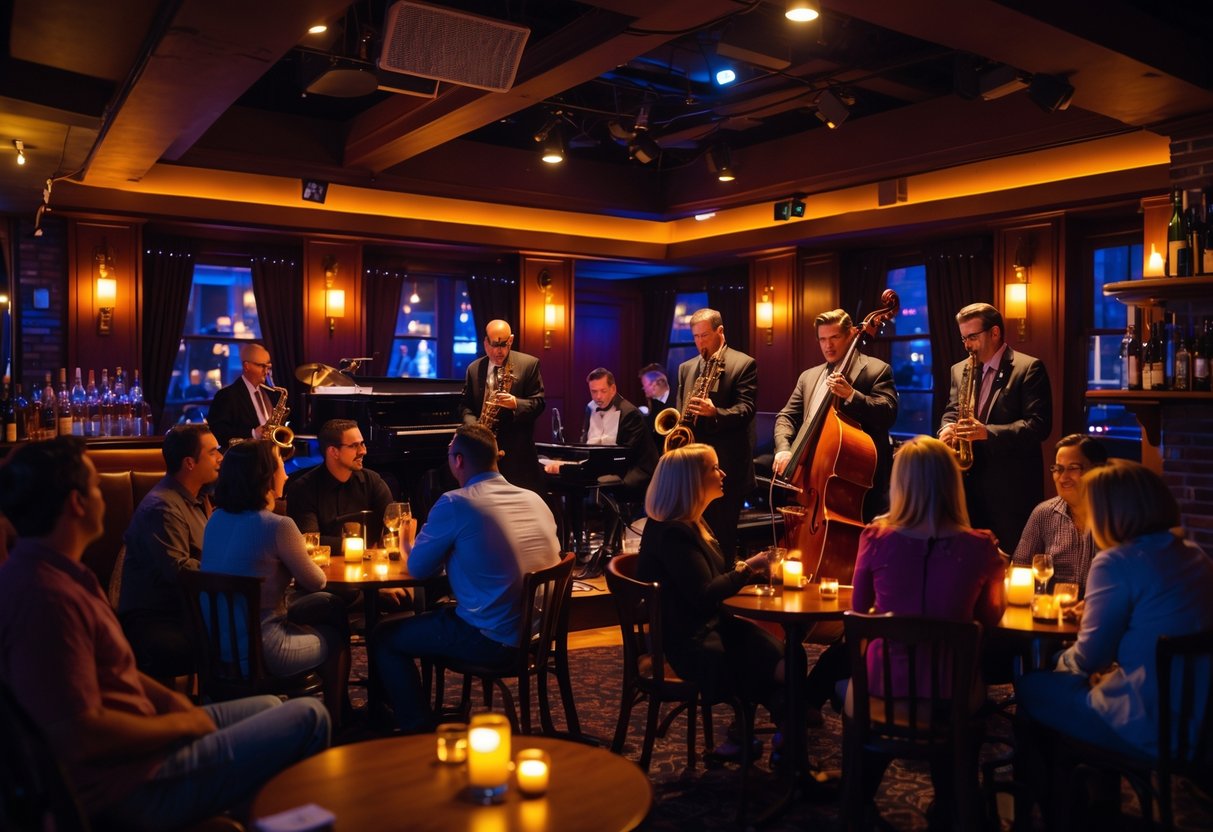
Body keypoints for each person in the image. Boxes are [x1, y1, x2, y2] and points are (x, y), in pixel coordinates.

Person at [0, 437, 329, 831]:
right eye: (95, 486)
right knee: (311, 715)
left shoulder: (62, 573)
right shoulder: (46, 597)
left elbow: (115, 670)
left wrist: (174, 705)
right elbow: (80, 734)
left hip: (143, 743)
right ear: (77, 503)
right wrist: (180, 726)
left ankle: (243, 812)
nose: (102, 497)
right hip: (134, 782)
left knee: (271, 706)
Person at [1015, 460, 1213, 826]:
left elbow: (1088, 658)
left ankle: (1051, 812)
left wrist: (1063, 666)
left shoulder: (1115, 561)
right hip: (1198, 723)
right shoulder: (1195, 556)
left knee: (1032, 687)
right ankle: (1093, 802)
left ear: (1110, 511)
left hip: (1149, 723)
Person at [848, 436, 1007, 827]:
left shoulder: (874, 538)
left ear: (899, 483)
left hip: (882, 689)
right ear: (952, 482)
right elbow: (992, 616)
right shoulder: (982, 545)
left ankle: (858, 800)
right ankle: (953, 802)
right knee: (963, 696)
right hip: (952, 691)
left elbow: (857, 608)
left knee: (847, 688)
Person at [371, 424, 560, 732]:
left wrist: (406, 543)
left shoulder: (457, 502)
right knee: (440, 613)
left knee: (384, 636)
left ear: (458, 460)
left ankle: (416, 729)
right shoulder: (533, 498)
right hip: (537, 636)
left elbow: (418, 570)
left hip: (492, 642)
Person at [637, 443, 780, 758]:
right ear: (692, 481)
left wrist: (753, 573)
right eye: (714, 468)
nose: (723, 473)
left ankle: (765, 736)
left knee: (782, 654)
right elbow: (704, 595)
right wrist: (749, 567)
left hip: (710, 626)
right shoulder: (673, 534)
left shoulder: (693, 522)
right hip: (688, 643)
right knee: (772, 666)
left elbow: (713, 579)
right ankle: (784, 742)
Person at [201, 440, 351, 727]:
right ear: (265, 477)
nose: (285, 474)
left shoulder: (215, 519)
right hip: (265, 651)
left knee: (320, 608)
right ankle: (336, 723)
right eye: (281, 467)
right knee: (335, 635)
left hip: (219, 649)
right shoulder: (278, 526)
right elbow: (316, 580)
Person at [939, 302, 1052, 553]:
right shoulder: (960, 369)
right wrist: (946, 428)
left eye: (972, 337)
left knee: (1013, 566)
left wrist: (987, 433)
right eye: (963, 338)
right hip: (966, 489)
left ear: (995, 333)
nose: (967, 345)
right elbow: (952, 409)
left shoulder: (1028, 368)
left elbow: (1039, 426)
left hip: (1010, 491)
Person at [117, 425, 222, 681]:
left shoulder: (197, 499)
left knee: (248, 632)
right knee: (238, 642)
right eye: (213, 452)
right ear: (189, 463)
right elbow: (179, 571)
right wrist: (229, 568)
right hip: (158, 620)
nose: (221, 457)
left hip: (186, 612)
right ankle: (221, 714)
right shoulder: (163, 507)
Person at [773, 308, 899, 521]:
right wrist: (784, 449)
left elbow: (888, 413)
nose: (828, 346)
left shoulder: (876, 369)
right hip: (811, 476)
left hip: (854, 482)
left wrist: (851, 394)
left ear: (850, 334)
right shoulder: (808, 376)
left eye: (834, 337)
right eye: (822, 339)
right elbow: (786, 417)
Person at [675, 308, 757, 561]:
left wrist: (715, 412)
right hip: (692, 466)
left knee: (723, 537)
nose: (700, 342)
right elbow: (680, 408)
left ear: (720, 332)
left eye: (705, 336)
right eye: (696, 337)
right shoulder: (686, 368)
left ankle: (724, 587)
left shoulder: (743, 363)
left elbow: (747, 409)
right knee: (693, 536)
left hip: (725, 466)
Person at [1012, 433, 1110, 593]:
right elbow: (1020, 568)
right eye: (1058, 469)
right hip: (1053, 611)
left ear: (1097, 470)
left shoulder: (1116, 515)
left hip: (1104, 611)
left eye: (1072, 468)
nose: (1063, 477)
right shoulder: (1044, 513)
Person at [457, 319, 546, 492]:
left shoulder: (529, 364)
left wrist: (515, 403)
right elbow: (465, 406)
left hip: (517, 458)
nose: (500, 351)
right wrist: (474, 427)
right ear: (485, 343)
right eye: (495, 345)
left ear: (511, 340)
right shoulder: (474, 369)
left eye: (504, 344)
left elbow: (539, 403)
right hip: (481, 456)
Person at [287, 419, 395, 552]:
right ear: (333, 452)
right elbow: (310, 541)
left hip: (370, 565)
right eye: (354, 446)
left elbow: (393, 524)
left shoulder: (372, 481)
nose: (363, 451)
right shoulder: (303, 490)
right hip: (324, 569)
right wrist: (352, 546)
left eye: (362, 444)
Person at [545, 367, 657, 493]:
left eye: (603, 391)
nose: (598, 396)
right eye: (594, 392)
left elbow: (626, 455)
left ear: (613, 389)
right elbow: (586, 443)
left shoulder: (630, 413)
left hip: (632, 470)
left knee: (590, 481)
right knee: (568, 481)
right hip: (604, 464)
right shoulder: (590, 408)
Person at [206, 342, 284, 449]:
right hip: (245, 458)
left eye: (268, 366)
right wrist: (253, 433)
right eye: (261, 366)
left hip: (271, 454)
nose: (266, 371)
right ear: (246, 366)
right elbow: (218, 432)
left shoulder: (272, 393)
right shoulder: (226, 395)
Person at [639, 362, 676, 451]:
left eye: (645, 385)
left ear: (655, 384)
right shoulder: (653, 403)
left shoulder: (677, 397)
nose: (643, 389)